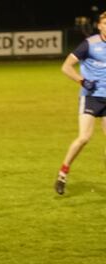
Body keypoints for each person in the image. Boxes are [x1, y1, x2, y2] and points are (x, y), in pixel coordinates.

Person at [56, 11, 106, 195]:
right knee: (84, 137)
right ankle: (63, 172)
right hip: (90, 96)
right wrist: (82, 81)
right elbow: (66, 66)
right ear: (100, 26)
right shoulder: (90, 44)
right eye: (105, 24)